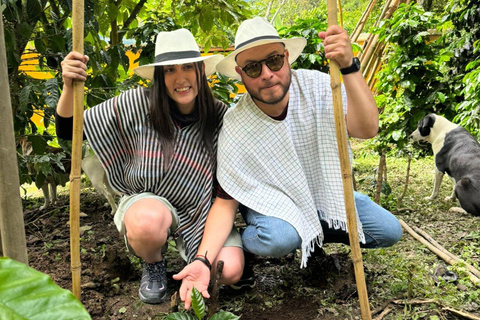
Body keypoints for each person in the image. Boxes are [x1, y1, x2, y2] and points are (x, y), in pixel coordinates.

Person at [176, 16, 403, 291]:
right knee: (279, 239)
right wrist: (203, 259)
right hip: (274, 204)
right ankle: (257, 246)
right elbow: (226, 202)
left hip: (324, 194)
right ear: (240, 73)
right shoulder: (236, 124)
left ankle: (314, 234)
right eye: (252, 67)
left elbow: (367, 128)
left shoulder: (321, 88)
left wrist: (348, 66)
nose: (266, 74)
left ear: (286, 58)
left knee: (389, 231)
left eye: (273, 61)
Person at [55, 28, 244, 307]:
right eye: (169, 70)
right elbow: (68, 131)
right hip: (149, 203)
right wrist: (70, 85)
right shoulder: (136, 104)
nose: (180, 78)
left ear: (201, 70)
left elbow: (226, 192)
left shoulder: (219, 116)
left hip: (201, 210)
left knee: (229, 270)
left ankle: (201, 260)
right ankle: (153, 263)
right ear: (159, 76)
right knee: (148, 223)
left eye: (187, 67)